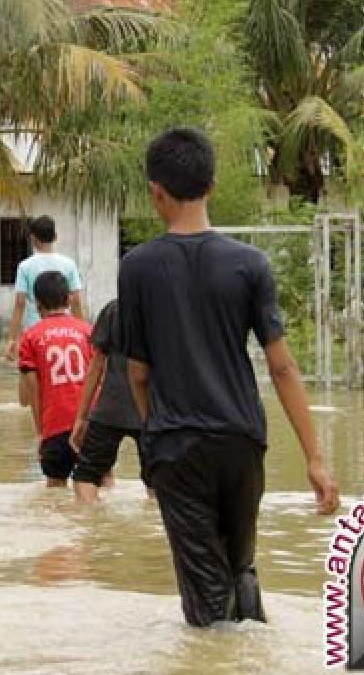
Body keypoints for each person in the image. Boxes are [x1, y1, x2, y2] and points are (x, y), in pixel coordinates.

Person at [118, 127, 339, 627]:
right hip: (243, 442)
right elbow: (283, 366)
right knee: (240, 567)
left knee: (205, 595)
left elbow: (138, 375)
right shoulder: (250, 264)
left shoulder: (137, 267)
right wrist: (316, 459)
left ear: (155, 191)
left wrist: (156, 444)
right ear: (212, 185)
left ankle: (218, 674)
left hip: (178, 445)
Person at [18, 271, 94, 488]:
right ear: (69, 298)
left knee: (55, 488)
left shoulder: (31, 337)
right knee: (101, 481)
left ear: (36, 303)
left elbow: (32, 393)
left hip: (55, 425)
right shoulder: (88, 331)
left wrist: (40, 433)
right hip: (91, 423)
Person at [69, 299, 149, 503]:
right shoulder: (167, 310)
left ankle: (92, 526)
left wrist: (81, 417)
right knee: (159, 482)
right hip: (151, 412)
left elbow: (96, 366)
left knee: (86, 476)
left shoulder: (114, 309)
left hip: (110, 410)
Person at [4, 215, 84, 363]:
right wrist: (81, 331)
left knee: (33, 374)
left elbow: (20, 303)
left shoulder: (25, 266)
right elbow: (76, 301)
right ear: (55, 236)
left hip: (34, 330)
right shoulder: (69, 264)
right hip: (64, 331)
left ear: (33, 239)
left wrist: (11, 339)